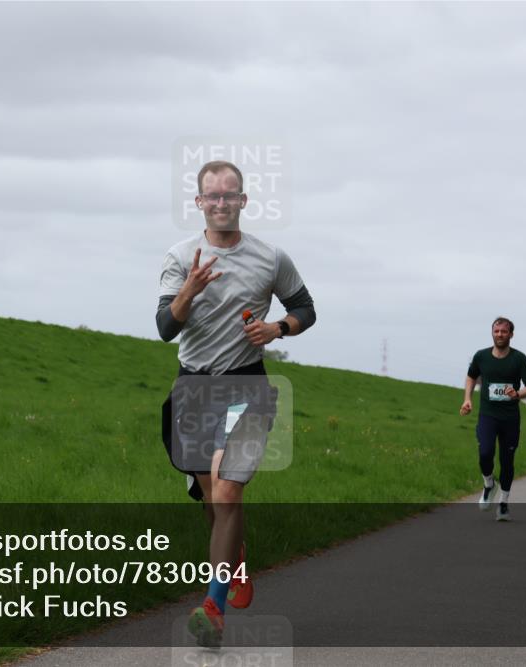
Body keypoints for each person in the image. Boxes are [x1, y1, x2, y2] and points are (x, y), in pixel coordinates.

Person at [156, 160, 316, 647]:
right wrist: (190, 289)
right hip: (194, 389)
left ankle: (213, 608)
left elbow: (305, 308)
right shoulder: (182, 255)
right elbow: (166, 327)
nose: (221, 203)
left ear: (244, 201)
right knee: (211, 500)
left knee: (227, 496)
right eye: (212, 196)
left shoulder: (270, 258)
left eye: (230, 195)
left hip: (246, 387)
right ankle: (234, 557)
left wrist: (277, 328)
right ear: (200, 203)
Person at [460, 317, 526, 522]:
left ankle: (503, 503)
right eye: (496, 331)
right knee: (485, 452)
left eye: (504, 331)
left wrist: (518, 394)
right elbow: (470, 376)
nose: (500, 335)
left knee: (507, 461)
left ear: (511, 334)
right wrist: (467, 399)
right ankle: (488, 484)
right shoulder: (481, 356)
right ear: (492, 333)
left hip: (510, 418)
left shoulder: (519, 359)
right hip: (488, 414)